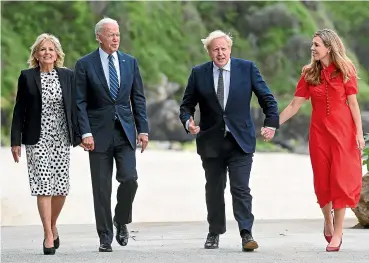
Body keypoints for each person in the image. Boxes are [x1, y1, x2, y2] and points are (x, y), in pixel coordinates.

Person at [179, 30, 279, 252]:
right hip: (210, 142)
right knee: (214, 189)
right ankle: (214, 232)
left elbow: (268, 100)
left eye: (224, 48)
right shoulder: (198, 73)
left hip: (240, 141)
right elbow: (186, 105)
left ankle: (246, 233)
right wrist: (188, 122)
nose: (220, 53)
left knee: (240, 188)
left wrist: (270, 124)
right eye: (215, 49)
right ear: (209, 52)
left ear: (230, 49)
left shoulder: (247, 68)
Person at [268, 28, 364, 252]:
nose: (312, 48)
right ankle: (328, 220)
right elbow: (294, 105)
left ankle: (337, 234)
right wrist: (273, 124)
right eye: (312, 44)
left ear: (329, 47)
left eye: (317, 45)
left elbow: (353, 105)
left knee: (340, 182)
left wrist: (359, 133)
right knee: (322, 182)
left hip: (343, 135)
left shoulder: (345, 70)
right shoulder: (309, 73)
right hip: (319, 135)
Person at [74, 17, 149, 252]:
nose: (115, 38)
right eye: (110, 34)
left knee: (130, 179)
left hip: (125, 132)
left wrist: (143, 129)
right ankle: (105, 236)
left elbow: (138, 98)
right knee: (101, 187)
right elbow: (80, 102)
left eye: (117, 34)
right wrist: (84, 132)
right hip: (97, 135)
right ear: (99, 37)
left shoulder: (130, 62)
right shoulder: (85, 64)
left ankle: (121, 219)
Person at [10, 33, 81, 255]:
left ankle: (52, 224)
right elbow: (19, 110)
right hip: (36, 138)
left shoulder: (68, 76)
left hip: (61, 138)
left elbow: (76, 108)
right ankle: (47, 234)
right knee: (43, 185)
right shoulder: (27, 77)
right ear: (36, 55)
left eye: (51, 49)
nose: (47, 53)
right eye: (42, 49)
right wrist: (15, 141)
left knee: (61, 188)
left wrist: (83, 135)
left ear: (57, 54)